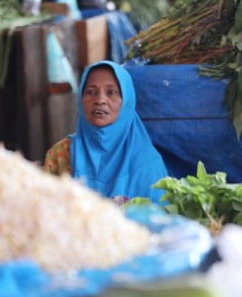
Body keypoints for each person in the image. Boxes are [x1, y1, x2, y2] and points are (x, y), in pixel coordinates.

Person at [43, 60, 168, 203]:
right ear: (80, 100)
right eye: (91, 92)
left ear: (126, 102)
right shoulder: (59, 156)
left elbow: (161, 221)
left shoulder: (147, 163)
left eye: (111, 92)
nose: (100, 100)